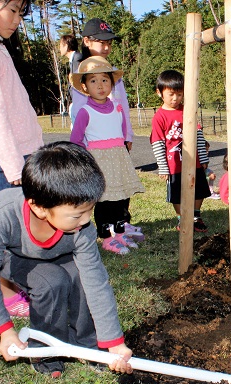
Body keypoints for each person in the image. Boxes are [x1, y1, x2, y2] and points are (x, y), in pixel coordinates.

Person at [0, 142, 133, 378]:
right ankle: (47, 353)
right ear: (39, 208)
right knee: (51, 281)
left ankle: (89, 346)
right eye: (77, 214)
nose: (86, 220)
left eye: (89, 210)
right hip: (17, 258)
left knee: (81, 277)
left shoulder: (82, 228)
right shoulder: (4, 214)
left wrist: (114, 342)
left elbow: (97, 283)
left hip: (62, 254)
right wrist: (5, 330)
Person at [0, 0, 45, 318]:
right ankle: (3, 292)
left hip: (22, 152)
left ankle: (16, 284)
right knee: (3, 230)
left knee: (23, 226)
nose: (18, 19)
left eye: (21, 12)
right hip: (4, 160)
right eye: (12, 10)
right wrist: (12, 161)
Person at [70, 56, 145, 254]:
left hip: (118, 160)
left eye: (105, 80)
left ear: (112, 83)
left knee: (120, 199)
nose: (100, 85)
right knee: (103, 201)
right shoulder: (85, 112)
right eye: (93, 81)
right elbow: (75, 141)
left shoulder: (117, 108)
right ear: (84, 86)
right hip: (99, 162)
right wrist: (87, 160)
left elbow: (120, 134)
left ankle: (120, 233)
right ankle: (105, 238)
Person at [150, 69, 210, 232]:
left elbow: (198, 134)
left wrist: (203, 158)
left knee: (200, 189)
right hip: (174, 164)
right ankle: (182, 217)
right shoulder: (159, 117)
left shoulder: (187, 110)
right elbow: (157, 143)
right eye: (171, 94)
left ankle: (196, 216)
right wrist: (163, 166)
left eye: (179, 94)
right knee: (176, 193)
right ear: (159, 92)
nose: (175, 98)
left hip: (194, 161)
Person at [70, 18, 135, 155]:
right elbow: (78, 112)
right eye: (102, 43)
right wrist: (84, 147)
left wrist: (127, 135)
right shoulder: (81, 74)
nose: (106, 48)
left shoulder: (113, 72)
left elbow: (123, 106)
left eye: (109, 43)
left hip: (116, 141)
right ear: (87, 41)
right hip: (94, 146)